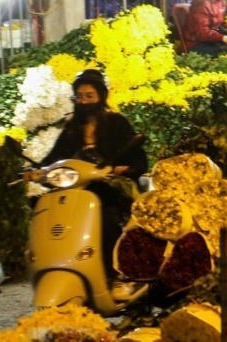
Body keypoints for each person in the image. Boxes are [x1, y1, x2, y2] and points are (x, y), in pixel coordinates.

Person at [38, 69, 147, 291]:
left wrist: (126, 168)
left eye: (90, 96)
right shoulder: (70, 128)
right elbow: (53, 157)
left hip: (109, 190)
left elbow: (138, 158)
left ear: (101, 96)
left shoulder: (117, 123)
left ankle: (116, 274)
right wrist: (35, 170)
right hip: (76, 191)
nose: (84, 101)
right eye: (79, 96)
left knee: (107, 222)